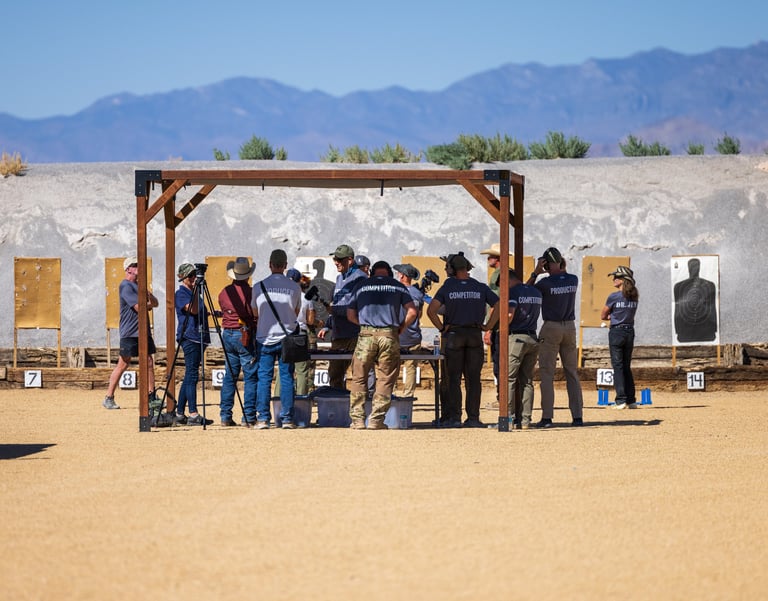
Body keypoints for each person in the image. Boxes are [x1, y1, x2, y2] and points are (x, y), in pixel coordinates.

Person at [427, 252, 500, 428]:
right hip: (474, 334)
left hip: (454, 335)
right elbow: (499, 304)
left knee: (453, 379)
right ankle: (473, 418)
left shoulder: (448, 287)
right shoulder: (479, 287)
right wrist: (488, 326)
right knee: (473, 379)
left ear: (453, 269)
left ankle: (454, 418)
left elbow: (431, 311)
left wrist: (442, 328)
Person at [347, 261, 417, 429]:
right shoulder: (398, 286)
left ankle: (357, 420)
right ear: (389, 273)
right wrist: (401, 327)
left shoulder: (361, 286)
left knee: (359, 377)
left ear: (372, 272)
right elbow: (413, 311)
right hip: (389, 335)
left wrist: (364, 325)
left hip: (366, 336)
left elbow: (350, 314)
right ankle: (376, 420)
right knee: (385, 378)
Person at [526, 247, 584, 427]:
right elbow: (562, 275)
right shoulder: (573, 279)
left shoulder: (545, 283)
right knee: (571, 372)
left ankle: (547, 417)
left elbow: (526, 291)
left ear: (546, 264)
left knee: (547, 373)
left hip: (551, 326)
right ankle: (577, 416)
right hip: (570, 327)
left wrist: (536, 272)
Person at [251, 249, 302, 429]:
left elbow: (255, 312)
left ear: (270, 264)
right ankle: (287, 419)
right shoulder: (295, 287)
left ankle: (263, 419)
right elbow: (296, 312)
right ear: (285, 265)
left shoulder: (258, 286)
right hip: (287, 337)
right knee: (287, 377)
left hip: (264, 337)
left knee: (264, 378)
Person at [486, 270, 542, 429]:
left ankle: (507, 419)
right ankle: (525, 420)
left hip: (516, 337)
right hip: (532, 336)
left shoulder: (512, 293)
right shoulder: (535, 292)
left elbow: (509, 315)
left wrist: (497, 326)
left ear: (506, 280)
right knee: (527, 381)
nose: (501, 289)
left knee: (507, 379)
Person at [104, 257, 159, 410]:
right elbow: (138, 307)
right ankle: (109, 396)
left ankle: (151, 395)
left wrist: (149, 297)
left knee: (149, 362)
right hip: (130, 332)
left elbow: (155, 303)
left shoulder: (139, 286)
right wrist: (149, 302)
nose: (138, 267)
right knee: (123, 363)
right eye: (135, 265)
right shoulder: (126, 285)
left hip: (143, 331)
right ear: (128, 269)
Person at [317, 244, 367, 388]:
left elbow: (359, 308)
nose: (336, 262)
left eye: (339, 259)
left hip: (355, 335)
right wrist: (328, 325)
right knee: (335, 374)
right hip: (338, 334)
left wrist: (335, 310)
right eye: (335, 259)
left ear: (350, 260)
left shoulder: (360, 279)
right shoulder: (339, 279)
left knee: (359, 374)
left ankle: (359, 401)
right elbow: (337, 304)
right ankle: (337, 401)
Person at [217, 257, 258, 427]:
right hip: (244, 334)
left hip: (227, 333)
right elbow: (254, 313)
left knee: (230, 376)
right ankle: (248, 416)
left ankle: (225, 415)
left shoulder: (224, 292)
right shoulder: (251, 292)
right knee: (250, 377)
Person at [174, 262, 212, 426]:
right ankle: (193, 413)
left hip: (197, 336)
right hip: (190, 337)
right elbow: (194, 310)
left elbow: (201, 311)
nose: (193, 278)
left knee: (189, 375)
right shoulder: (181, 293)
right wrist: (197, 290)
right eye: (190, 276)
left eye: (194, 275)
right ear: (182, 277)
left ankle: (180, 412)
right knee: (192, 375)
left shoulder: (192, 292)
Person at [479, 242, 513, 408]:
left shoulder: (498, 275)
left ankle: (502, 399)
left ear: (498, 258)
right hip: (507, 326)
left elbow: (496, 304)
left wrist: (489, 328)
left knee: (500, 365)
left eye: (491, 256)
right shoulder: (509, 273)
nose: (488, 259)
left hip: (499, 326)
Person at [601, 266, 639, 409]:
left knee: (618, 366)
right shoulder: (634, 296)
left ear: (623, 280)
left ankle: (621, 400)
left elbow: (603, 315)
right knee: (626, 366)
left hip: (617, 331)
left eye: (616, 277)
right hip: (630, 331)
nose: (614, 279)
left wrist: (612, 316)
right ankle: (631, 400)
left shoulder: (614, 296)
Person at [393, 263, 424, 399]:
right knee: (411, 368)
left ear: (402, 276)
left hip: (397, 336)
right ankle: (408, 396)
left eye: (398, 273)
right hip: (413, 337)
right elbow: (419, 315)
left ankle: (390, 394)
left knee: (392, 367)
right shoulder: (418, 294)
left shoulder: (395, 291)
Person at [287, 268, 317, 395]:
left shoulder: (283, 295)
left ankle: (279, 398)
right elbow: (310, 320)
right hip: (300, 334)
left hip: (286, 333)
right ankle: (301, 399)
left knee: (285, 369)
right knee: (302, 370)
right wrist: (319, 322)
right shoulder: (306, 298)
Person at [673, 257, 717, 342]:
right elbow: (677, 310)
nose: (694, 269)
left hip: (705, 331)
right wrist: (678, 330)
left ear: (699, 267)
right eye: (692, 266)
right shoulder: (678, 286)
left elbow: (712, 309)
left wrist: (713, 329)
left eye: (695, 266)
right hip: (687, 332)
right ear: (688, 267)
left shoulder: (710, 285)